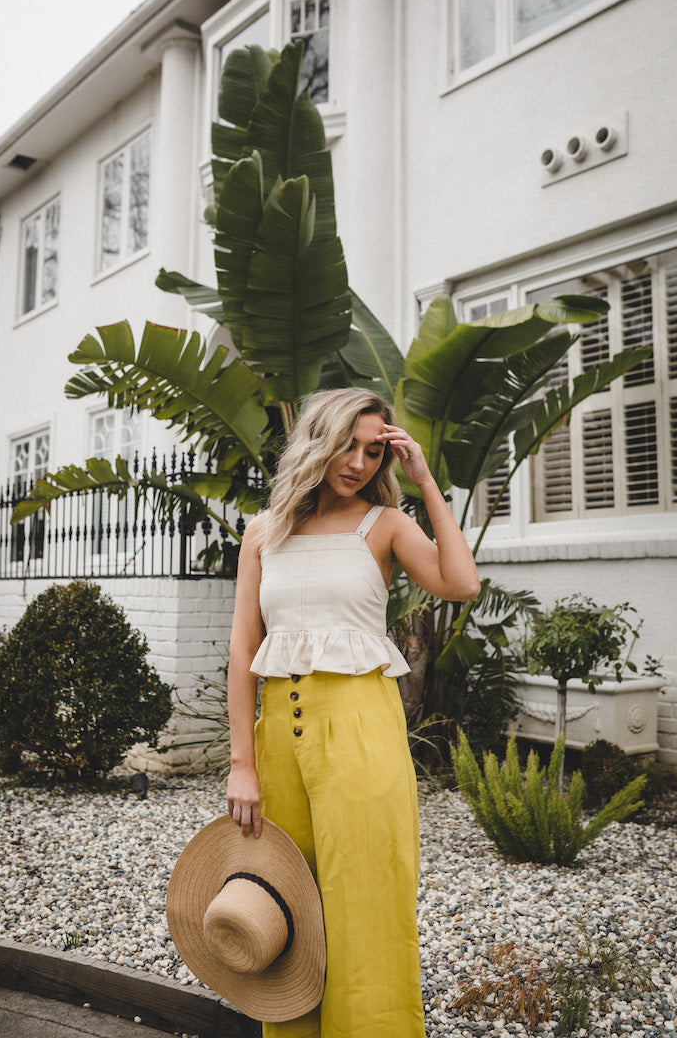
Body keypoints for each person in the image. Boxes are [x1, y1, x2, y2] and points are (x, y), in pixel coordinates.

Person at [226, 388, 480, 1037]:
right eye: (349, 445)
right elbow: (243, 648)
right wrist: (241, 765)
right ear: (319, 440)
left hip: (363, 729)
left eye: (374, 452)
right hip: (279, 739)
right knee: (288, 906)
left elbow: (461, 583)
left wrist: (425, 483)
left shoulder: (385, 525)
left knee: (367, 904)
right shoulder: (264, 532)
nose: (360, 463)